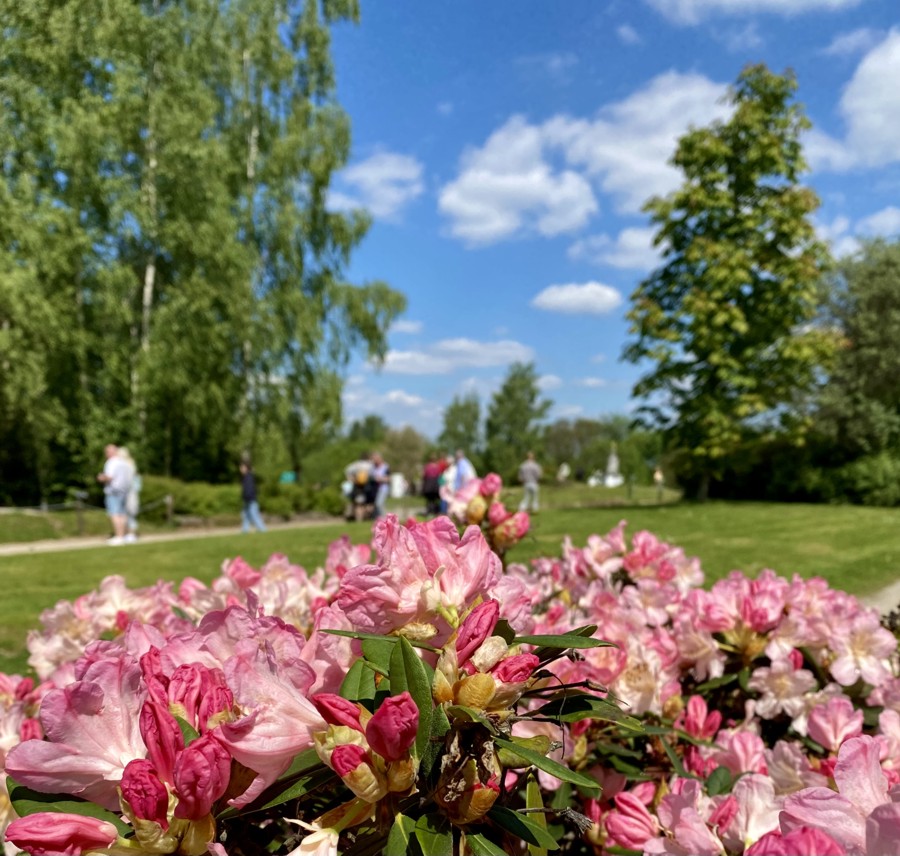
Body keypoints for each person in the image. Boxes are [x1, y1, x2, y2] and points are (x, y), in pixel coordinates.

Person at [97, 444, 132, 545]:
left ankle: (119, 536)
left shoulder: (111, 462)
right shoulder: (123, 462)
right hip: (124, 491)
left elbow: (110, 477)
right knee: (122, 514)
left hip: (113, 491)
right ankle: (125, 535)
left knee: (115, 514)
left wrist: (101, 477)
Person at [118, 447, 141, 543]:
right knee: (124, 514)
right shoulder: (126, 464)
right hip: (125, 492)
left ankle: (131, 534)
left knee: (130, 513)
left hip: (130, 492)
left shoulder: (129, 464)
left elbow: (135, 482)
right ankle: (127, 533)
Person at [344, 453, 373, 522]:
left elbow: (347, 470)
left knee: (358, 504)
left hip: (357, 485)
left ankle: (359, 519)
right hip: (367, 485)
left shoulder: (356, 464)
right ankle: (365, 518)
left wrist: (351, 479)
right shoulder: (370, 465)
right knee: (365, 504)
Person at [239, 460, 267, 533]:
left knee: (254, 515)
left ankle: (262, 529)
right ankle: (245, 530)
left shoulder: (248, 477)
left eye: (242, 467)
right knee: (246, 516)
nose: (241, 469)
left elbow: (250, 489)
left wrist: (248, 497)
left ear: (246, 468)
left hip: (250, 499)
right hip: (247, 499)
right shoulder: (246, 477)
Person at [370, 452, 390, 519]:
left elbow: (388, 479)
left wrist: (380, 479)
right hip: (375, 489)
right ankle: (381, 519)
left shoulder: (385, 467)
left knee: (379, 504)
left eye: (375, 459)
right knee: (377, 504)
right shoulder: (373, 468)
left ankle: (384, 519)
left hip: (383, 488)